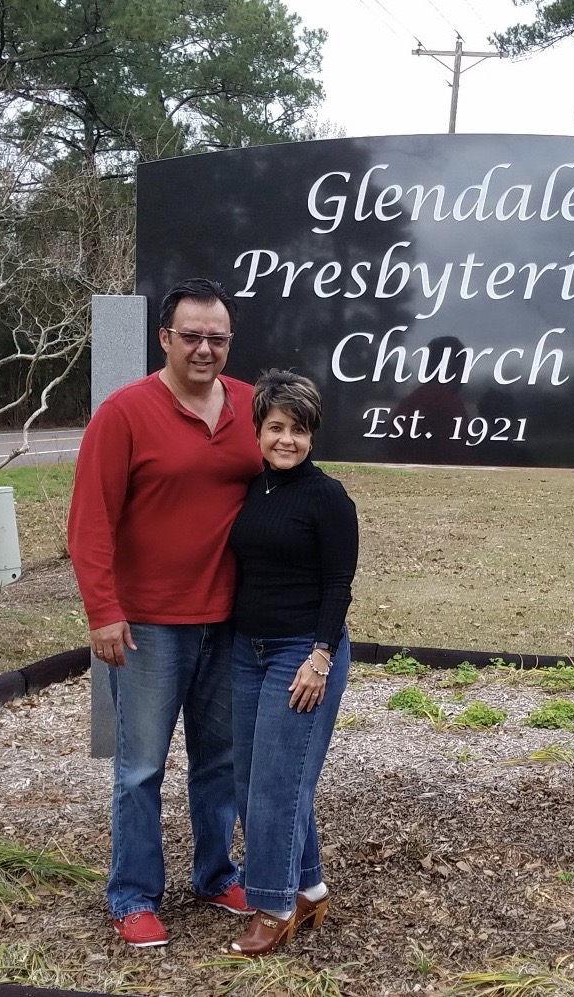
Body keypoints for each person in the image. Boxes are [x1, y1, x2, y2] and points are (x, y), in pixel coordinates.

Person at [67, 277, 263, 948]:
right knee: (142, 765)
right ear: (164, 338)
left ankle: (215, 873)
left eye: (217, 338)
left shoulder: (249, 404)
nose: (205, 348)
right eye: (192, 336)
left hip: (230, 620)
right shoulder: (124, 413)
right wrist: (103, 610)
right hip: (149, 624)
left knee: (219, 761)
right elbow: (89, 520)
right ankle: (132, 895)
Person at [227, 369, 359, 956]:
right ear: (258, 430)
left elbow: (338, 584)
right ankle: (308, 887)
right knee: (252, 779)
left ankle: (272, 905)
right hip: (246, 650)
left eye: (299, 430)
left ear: (313, 436)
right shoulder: (255, 489)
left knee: (279, 785)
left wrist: (320, 657)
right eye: (277, 427)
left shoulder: (328, 497)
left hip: (301, 654)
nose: (287, 440)